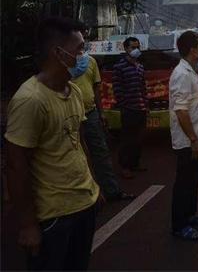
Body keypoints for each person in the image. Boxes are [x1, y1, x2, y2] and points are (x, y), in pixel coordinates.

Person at [5, 17, 100, 270]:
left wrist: (93, 185)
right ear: (58, 53)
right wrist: (27, 224)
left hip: (84, 205)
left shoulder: (74, 91)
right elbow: (15, 165)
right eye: (79, 48)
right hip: (53, 217)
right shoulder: (30, 100)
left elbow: (78, 141)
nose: (84, 55)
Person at [72, 46, 135, 201]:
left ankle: (111, 191)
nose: (80, 47)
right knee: (75, 155)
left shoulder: (91, 62)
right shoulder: (63, 65)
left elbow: (96, 89)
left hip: (90, 113)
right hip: (70, 116)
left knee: (100, 152)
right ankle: (84, 196)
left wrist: (101, 113)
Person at [169, 31, 198, 241]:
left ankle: (190, 215)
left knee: (195, 180)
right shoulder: (182, 74)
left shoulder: (194, 71)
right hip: (189, 141)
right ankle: (179, 225)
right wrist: (194, 140)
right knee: (184, 183)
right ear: (192, 50)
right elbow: (181, 111)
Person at [112, 37, 148, 179]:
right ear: (126, 49)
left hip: (140, 107)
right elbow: (117, 88)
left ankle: (135, 163)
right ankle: (125, 167)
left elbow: (142, 87)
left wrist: (146, 104)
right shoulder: (119, 67)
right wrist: (124, 104)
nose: (136, 50)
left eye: (137, 47)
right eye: (133, 47)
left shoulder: (140, 66)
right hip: (128, 108)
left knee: (139, 138)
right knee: (127, 138)